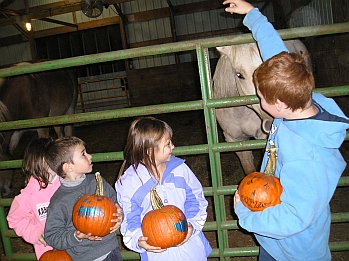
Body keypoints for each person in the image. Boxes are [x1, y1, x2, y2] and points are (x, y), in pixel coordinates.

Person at [223, 0, 349, 260]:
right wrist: (252, 15)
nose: (259, 102)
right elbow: (277, 56)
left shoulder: (307, 157)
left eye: (261, 98)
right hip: (275, 245)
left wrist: (246, 216)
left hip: (295, 252)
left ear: (279, 103)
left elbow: (293, 218)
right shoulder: (300, 101)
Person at [115, 116, 212, 261]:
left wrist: (192, 226)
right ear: (149, 150)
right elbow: (130, 219)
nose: (172, 146)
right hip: (157, 254)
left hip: (191, 249)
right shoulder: (129, 183)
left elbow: (196, 200)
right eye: (168, 144)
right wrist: (138, 239)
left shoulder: (180, 169)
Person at [43, 136, 123, 261]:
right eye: (83, 154)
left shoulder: (97, 182)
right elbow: (52, 236)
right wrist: (76, 236)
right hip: (84, 257)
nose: (89, 156)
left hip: (111, 251)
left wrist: (119, 215)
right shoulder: (59, 201)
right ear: (68, 167)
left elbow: (115, 203)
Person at [7, 137, 59, 259]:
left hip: (77, 248)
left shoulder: (68, 183)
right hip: (50, 252)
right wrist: (35, 234)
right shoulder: (28, 195)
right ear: (37, 162)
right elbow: (15, 219)